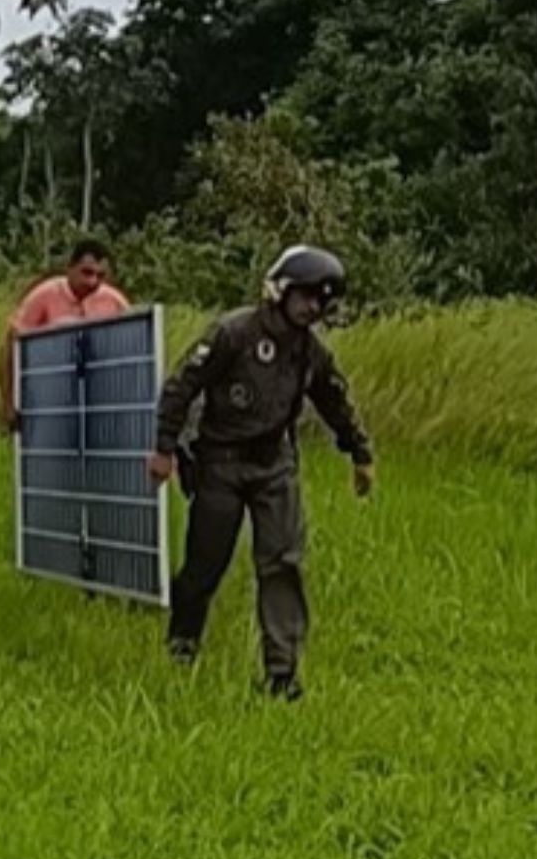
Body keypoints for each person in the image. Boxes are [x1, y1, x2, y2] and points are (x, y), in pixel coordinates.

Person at [145, 244, 375, 701]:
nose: (313, 306)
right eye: (306, 295)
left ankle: (282, 672)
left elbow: (335, 402)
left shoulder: (310, 354)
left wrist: (360, 453)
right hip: (221, 462)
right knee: (207, 561)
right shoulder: (233, 333)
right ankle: (183, 642)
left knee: (282, 562)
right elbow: (181, 387)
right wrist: (164, 448)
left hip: (274, 465)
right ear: (280, 291)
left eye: (321, 300)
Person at [0, 239, 131, 426]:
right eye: (86, 273)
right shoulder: (43, 296)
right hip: (49, 402)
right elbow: (10, 347)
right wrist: (8, 403)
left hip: (99, 404)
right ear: (70, 268)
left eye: (100, 276)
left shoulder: (115, 302)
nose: (93, 282)